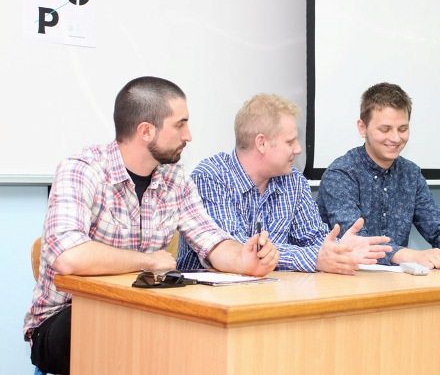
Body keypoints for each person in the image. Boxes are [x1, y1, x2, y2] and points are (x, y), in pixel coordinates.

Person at [24, 77, 279, 375]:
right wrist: (147, 261)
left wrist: (243, 259)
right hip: (67, 318)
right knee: (134, 335)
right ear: (146, 131)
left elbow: (210, 239)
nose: (189, 135)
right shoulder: (82, 170)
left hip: (141, 312)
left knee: (193, 336)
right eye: (180, 124)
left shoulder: (174, 178)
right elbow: (68, 257)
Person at [177, 94, 391, 275]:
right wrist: (315, 258)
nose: (298, 149)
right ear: (261, 143)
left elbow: (315, 240)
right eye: (290, 142)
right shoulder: (211, 177)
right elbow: (240, 251)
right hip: (210, 304)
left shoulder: (293, 181)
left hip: (275, 294)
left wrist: (338, 250)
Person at [317, 83, 440, 269]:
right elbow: (357, 242)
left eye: (403, 129)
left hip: (398, 281)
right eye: (385, 129)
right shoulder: (341, 174)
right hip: (348, 279)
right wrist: (412, 255)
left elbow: (436, 225)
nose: (396, 138)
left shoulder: (411, 173)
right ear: (362, 128)